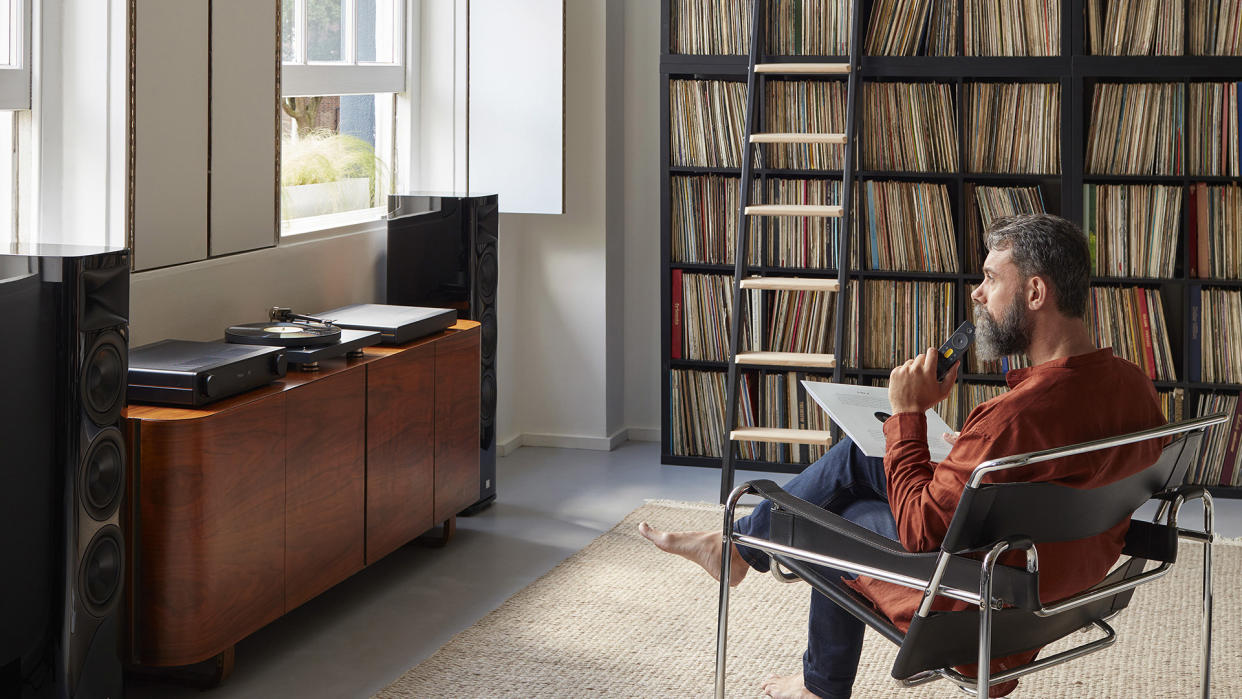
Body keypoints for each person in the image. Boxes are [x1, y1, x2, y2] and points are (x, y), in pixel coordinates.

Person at [639, 213, 1167, 699]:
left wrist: (909, 413)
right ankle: (738, 552)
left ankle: (790, 635)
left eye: (990, 278)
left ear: (1034, 292)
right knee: (864, 456)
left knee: (832, 513)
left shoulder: (1014, 417)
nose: (978, 295)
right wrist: (960, 448)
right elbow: (1064, 468)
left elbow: (920, 534)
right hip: (1060, 582)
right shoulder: (1133, 386)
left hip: (981, 602)